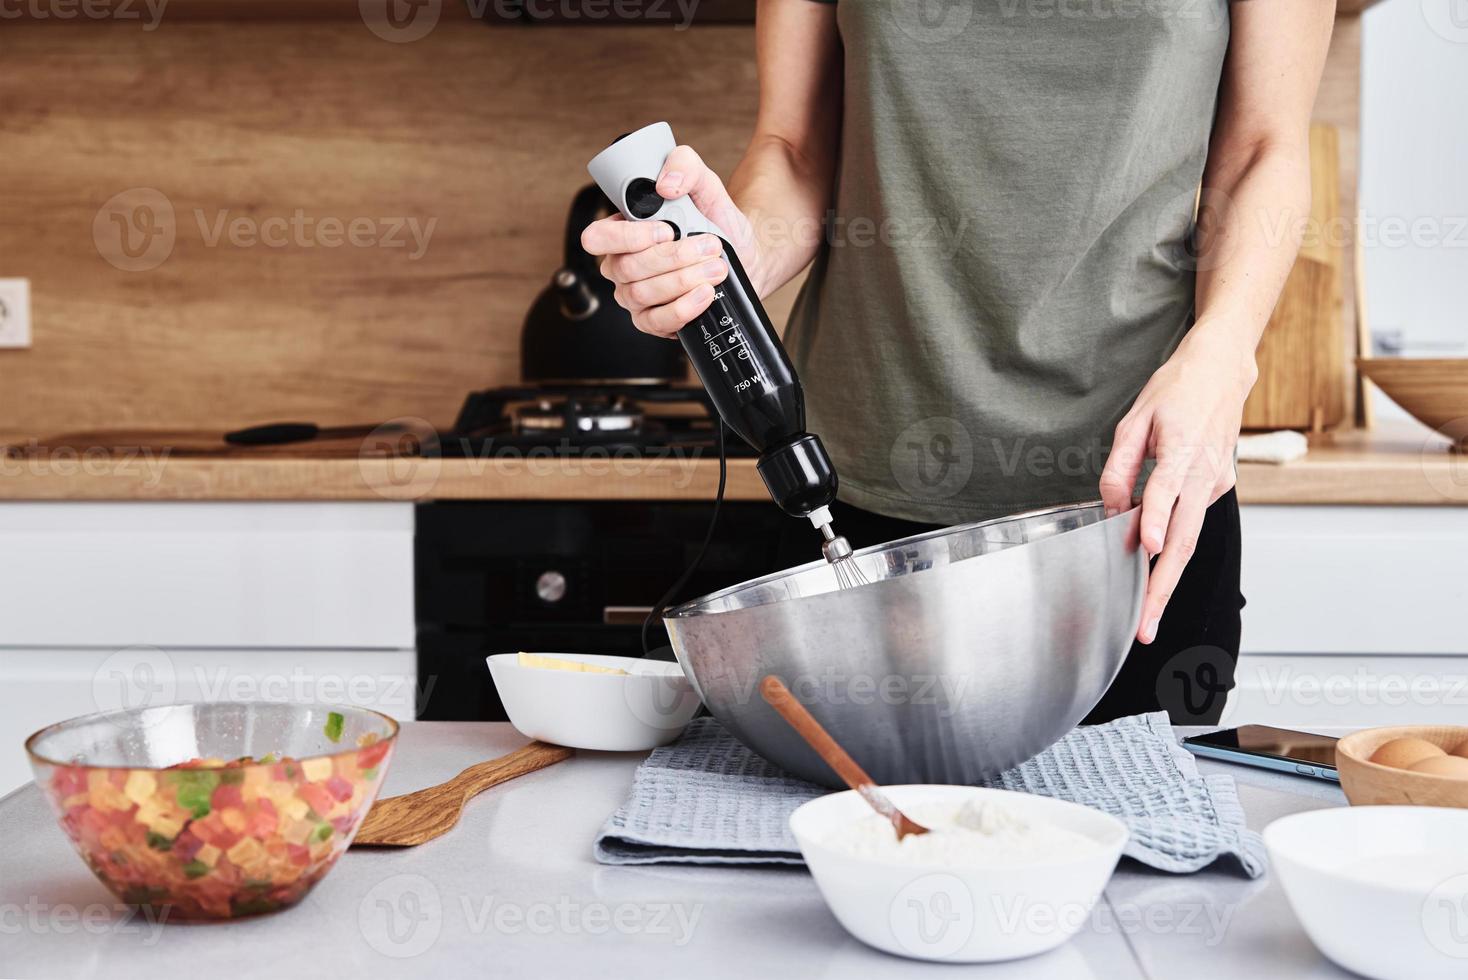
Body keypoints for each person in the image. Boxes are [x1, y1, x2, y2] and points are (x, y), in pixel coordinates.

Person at [582, 0, 1334, 724]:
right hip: (863, 489)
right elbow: (796, 148)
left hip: (1136, 507)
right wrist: (732, 263)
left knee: (1140, 842)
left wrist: (1226, 353)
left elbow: (1263, 149)